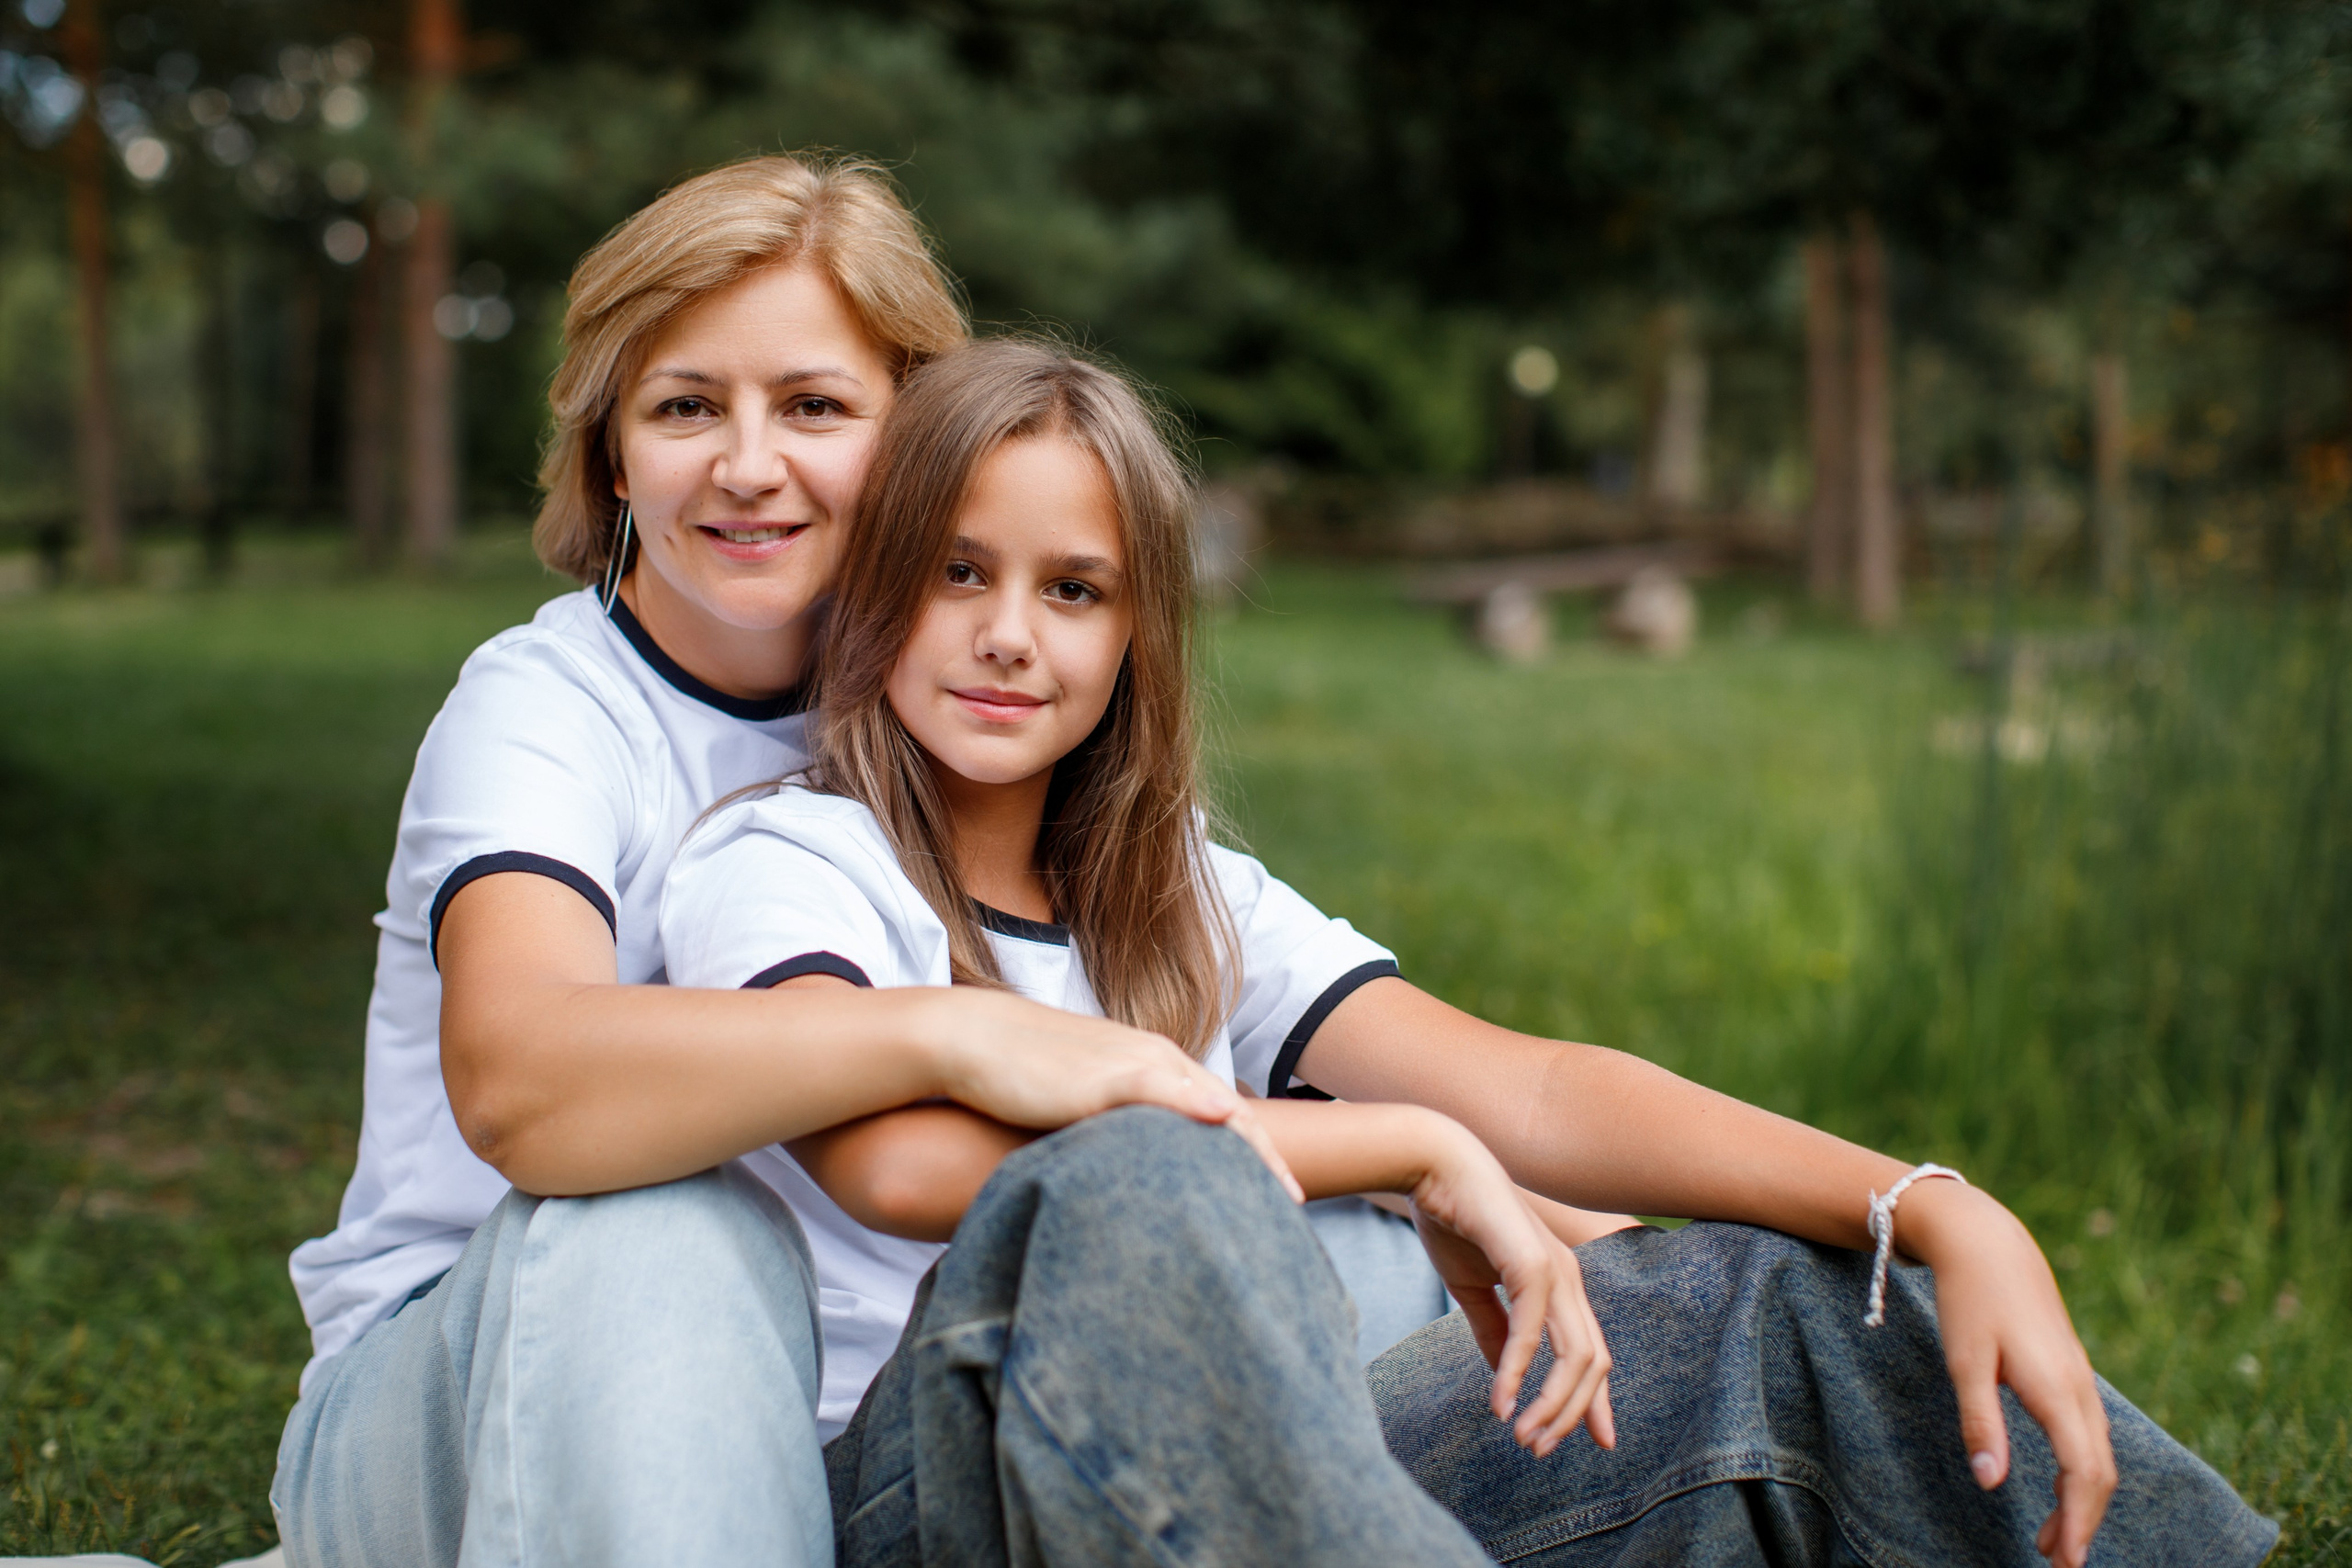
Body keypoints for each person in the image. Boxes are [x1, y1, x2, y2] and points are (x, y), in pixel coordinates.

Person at [653, 337, 2275, 1568]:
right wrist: (1405, 1153)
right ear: (874, 591)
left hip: (1278, 1481)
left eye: (1073, 590)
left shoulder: (1180, 900)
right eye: (958, 574)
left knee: (1755, 1293)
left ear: (1136, 637)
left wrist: (1923, 1202)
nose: (1013, 632)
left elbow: (1536, 1089)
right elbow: (907, 1157)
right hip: (946, 1494)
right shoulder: (786, 863)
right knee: (1131, 1182)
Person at [270, 157, 1332, 1567]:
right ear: (609, 449)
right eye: (683, 407)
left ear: (920, 441)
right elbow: (525, 1082)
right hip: (465, 1395)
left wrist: (1483, 1178)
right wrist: (959, 1033)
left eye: (816, 407)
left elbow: (1343, 1031)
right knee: (662, 1221)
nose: (748, 465)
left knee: (1344, 1257)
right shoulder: (546, 710)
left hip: (836, 1407)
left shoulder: (955, 710)